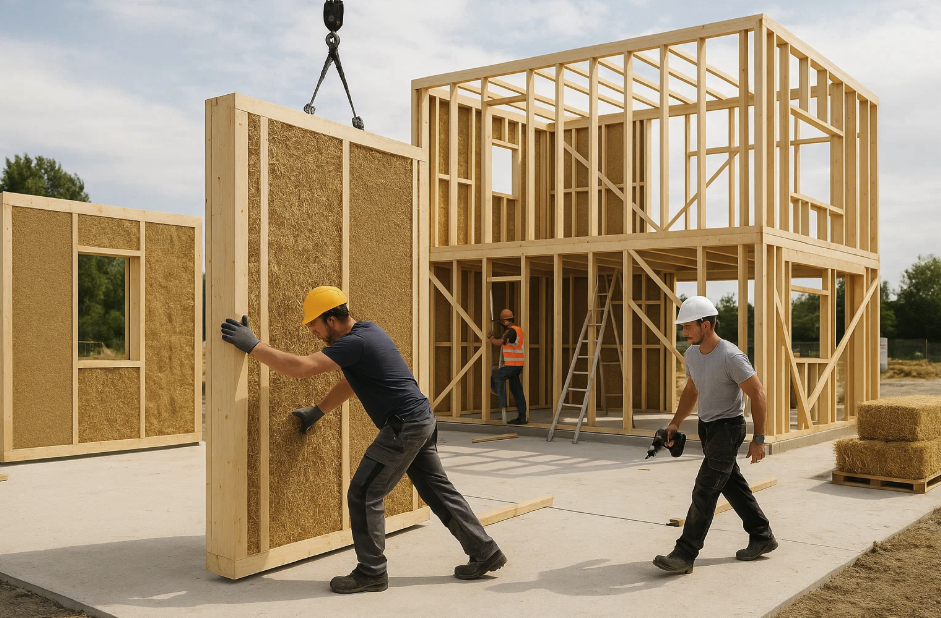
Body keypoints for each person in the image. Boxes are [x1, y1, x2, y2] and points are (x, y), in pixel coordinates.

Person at [220, 286, 506, 593]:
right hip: (420, 419)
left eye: (314, 325)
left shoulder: (354, 342)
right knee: (438, 491)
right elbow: (352, 382)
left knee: (363, 493)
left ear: (331, 319)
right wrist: (318, 411)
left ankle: (371, 572)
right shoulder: (368, 332)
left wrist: (253, 346)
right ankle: (484, 551)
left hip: (404, 426)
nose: (313, 332)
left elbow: (300, 368)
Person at [653, 296, 777, 574]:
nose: (683, 333)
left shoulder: (730, 356)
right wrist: (674, 424)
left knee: (705, 489)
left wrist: (759, 438)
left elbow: (757, 393)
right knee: (732, 484)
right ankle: (762, 536)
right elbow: (692, 390)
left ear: (706, 325)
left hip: (728, 428)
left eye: (687, 327)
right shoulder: (692, 355)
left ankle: (684, 553)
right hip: (707, 428)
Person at [486, 308, 527, 425]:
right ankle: (522, 417)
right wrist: (497, 322)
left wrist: (491, 339)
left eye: (503, 322)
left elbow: (500, 342)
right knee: (517, 390)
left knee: (498, 376)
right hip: (518, 365)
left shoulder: (511, 331)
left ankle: (502, 403)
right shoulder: (516, 330)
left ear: (506, 321)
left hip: (512, 365)